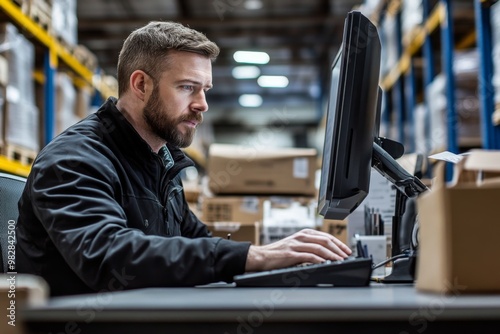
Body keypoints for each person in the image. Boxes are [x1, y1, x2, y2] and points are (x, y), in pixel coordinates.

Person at [15, 21, 351, 296]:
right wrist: (253, 257)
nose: (203, 104)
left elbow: (195, 240)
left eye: (205, 89)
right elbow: (110, 258)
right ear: (141, 85)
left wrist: (275, 253)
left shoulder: (160, 159)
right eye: (188, 87)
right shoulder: (73, 159)